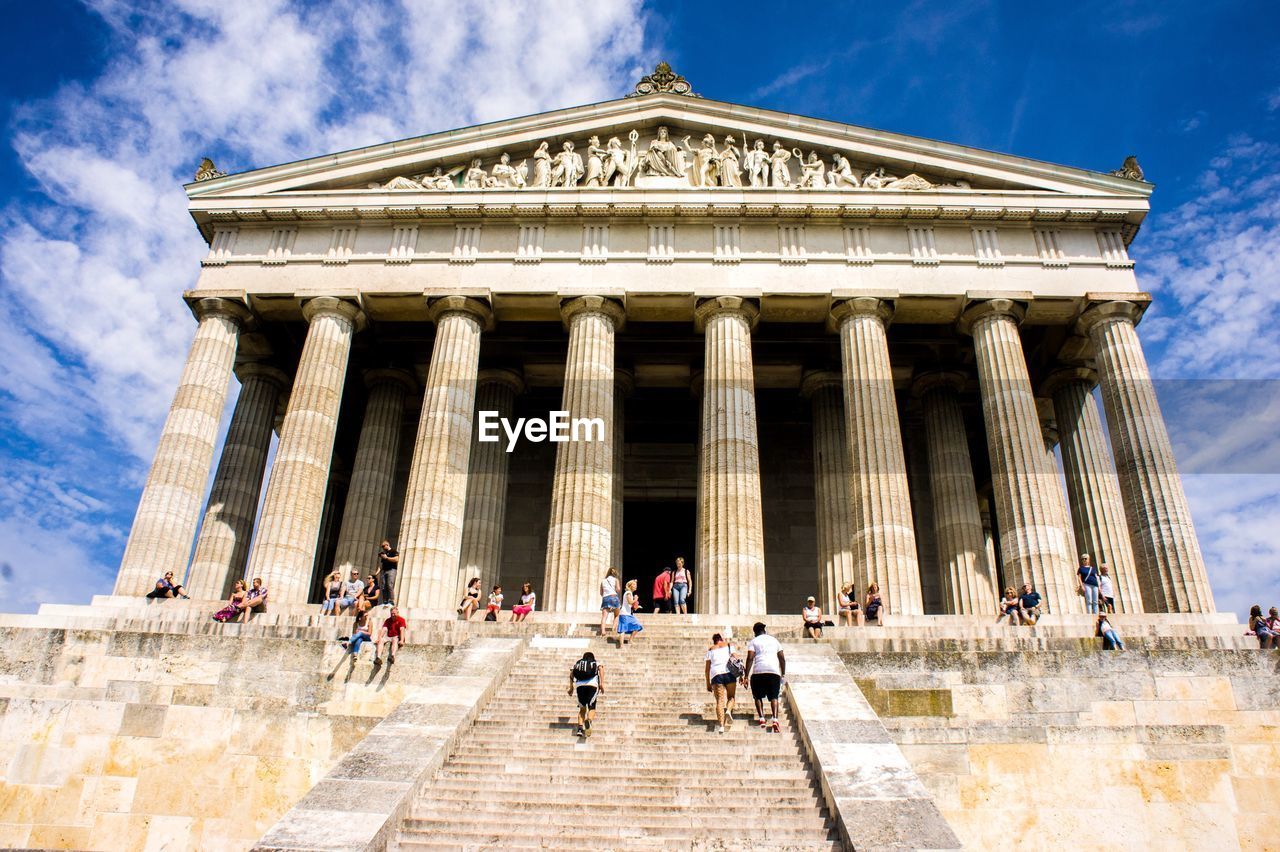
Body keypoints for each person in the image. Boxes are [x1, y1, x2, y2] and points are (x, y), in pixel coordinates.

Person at [745, 622, 785, 732]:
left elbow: (750, 658)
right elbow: (782, 658)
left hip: (758, 671)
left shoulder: (754, 641)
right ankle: (775, 719)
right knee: (774, 697)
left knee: (757, 696)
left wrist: (746, 675)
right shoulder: (774, 640)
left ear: (755, 632)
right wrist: (783, 673)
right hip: (774, 672)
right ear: (764, 630)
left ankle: (762, 718)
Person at [704, 633, 739, 734]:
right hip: (729, 673)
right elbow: (736, 659)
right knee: (731, 697)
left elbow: (707, 669)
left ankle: (721, 726)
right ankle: (728, 710)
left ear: (714, 641)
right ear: (721, 639)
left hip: (716, 675)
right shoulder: (728, 645)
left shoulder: (710, 650)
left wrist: (708, 683)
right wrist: (742, 675)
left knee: (719, 701)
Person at [568, 651, 604, 738]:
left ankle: (580, 729)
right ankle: (589, 721)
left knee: (582, 709)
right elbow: (601, 669)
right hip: (592, 685)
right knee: (592, 707)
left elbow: (571, 674)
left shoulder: (578, 663)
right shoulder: (595, 662)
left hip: (580, 686)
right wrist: (601, 683)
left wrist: (571, 688)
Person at [616, 580, 644, 645]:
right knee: (624, 629)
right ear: (630, 586)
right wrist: (635, 599)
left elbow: (629, 605)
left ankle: (630, 640)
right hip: (624, 614)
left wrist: (637, 606)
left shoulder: (629, 593)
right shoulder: (628, 592)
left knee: (637, 626)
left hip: (627, 614)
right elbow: (630, 602)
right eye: (634, 585)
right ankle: (622, 645)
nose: (636, 586)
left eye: (636, 585)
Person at [600, 568, 621, 634]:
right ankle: (613, 629)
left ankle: (603, 631)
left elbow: (601, 593)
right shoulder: (616, 580)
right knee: (617, 615)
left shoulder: (603, 581)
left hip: (605, 598)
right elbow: (618, 589)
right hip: (613, 597)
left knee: (604, 616)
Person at [377, 540, 399, 605]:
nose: (383, 548)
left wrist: (387, 558)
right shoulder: (384, 554)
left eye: (383, 546)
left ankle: (391, 600)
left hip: (391, 570)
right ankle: (385, 600)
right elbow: (381, 565)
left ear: (387, 545)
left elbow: (396, 559)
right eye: (382, 547)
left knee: (390, 585)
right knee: (383, 586)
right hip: (384, 571)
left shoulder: (393, 551)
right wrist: (377, 573)